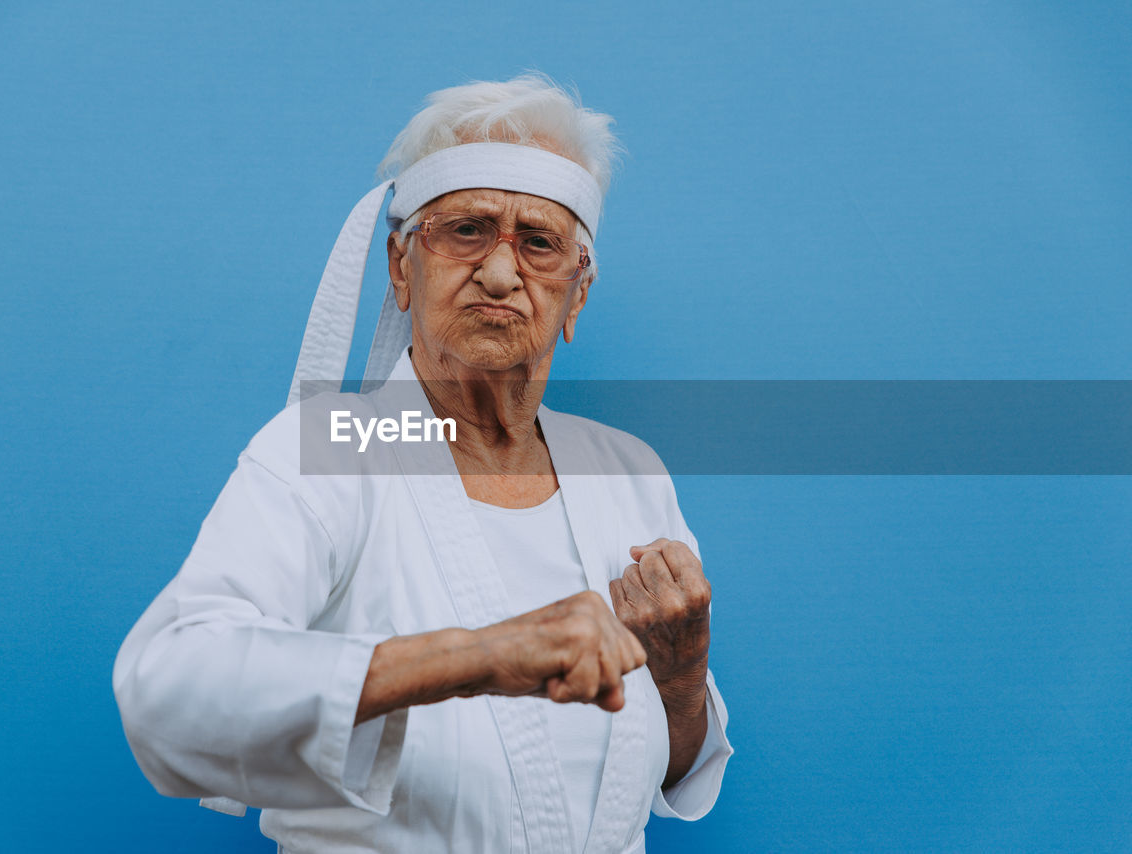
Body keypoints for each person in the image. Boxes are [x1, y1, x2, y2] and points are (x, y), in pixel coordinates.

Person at [113, 74, 732, 853]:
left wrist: (679, 680)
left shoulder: (627, 473)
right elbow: (169, 692)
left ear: (577, 297)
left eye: (537, 243)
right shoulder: (332, 451)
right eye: (468, 229)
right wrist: (479, 654)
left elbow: (659, 769)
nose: (502, 273)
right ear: (403, 267)